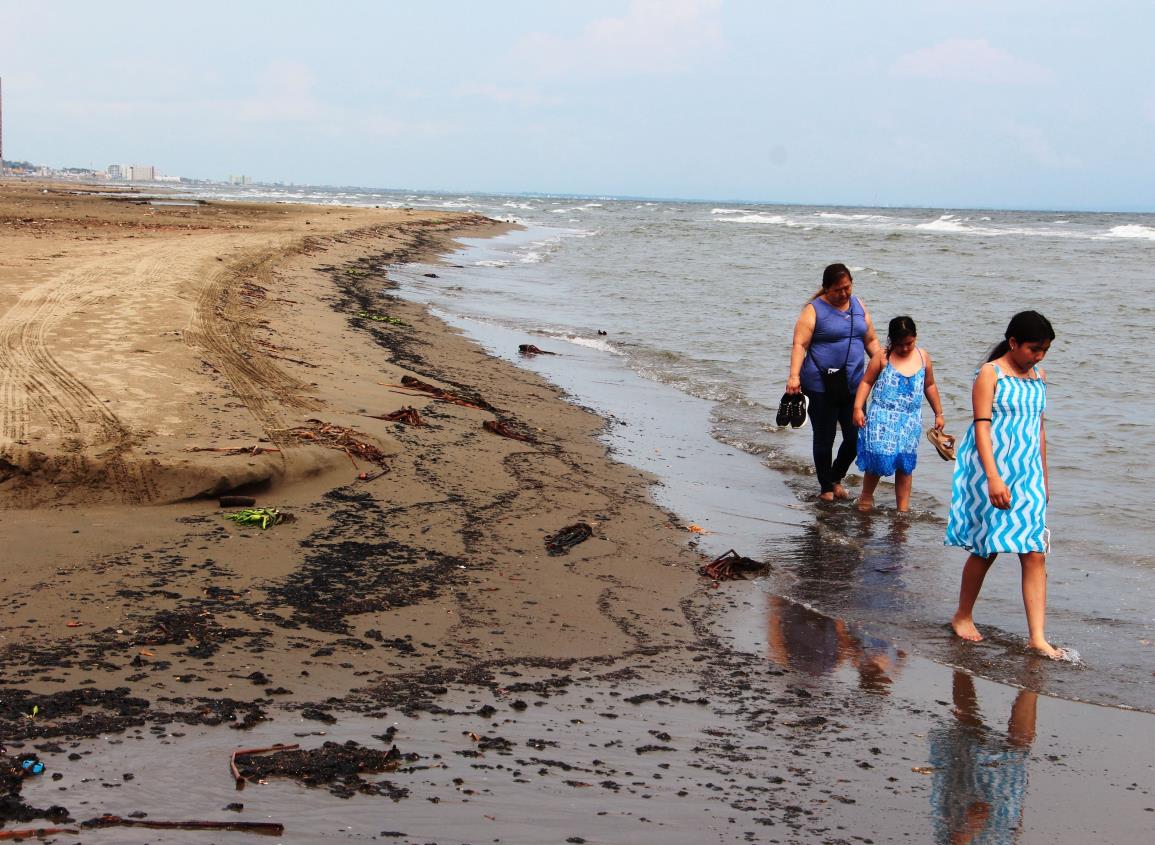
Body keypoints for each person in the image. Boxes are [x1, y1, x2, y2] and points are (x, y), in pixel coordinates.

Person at [945, 311, 1061, 658]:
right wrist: (994, 477)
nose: (1039, 356)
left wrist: (1044, 477)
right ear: (1013, 343)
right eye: (1034, 349)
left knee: (1034, 552)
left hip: (1029, 475)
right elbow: (982, 428)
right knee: (987, 547)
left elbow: (1038, 430)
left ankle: (1037, 637)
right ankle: (962, 616)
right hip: (994, 471)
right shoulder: (989, 374)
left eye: (1044, 350)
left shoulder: (1039, 376)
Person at [786, 263, 882, 501]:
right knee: (824, 437)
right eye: (838, 289)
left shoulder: (859, 306)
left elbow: (871, 341)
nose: (844, 293)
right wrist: (794, 376)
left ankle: (836, 476)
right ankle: (826, 488)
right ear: (826, 288)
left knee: (855, 438)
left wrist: (885, 368)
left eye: (847, 287)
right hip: (820, 385)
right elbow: (800, 344)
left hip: (854, 385)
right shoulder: (813, 310)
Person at [852, 316, 946, 512]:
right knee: (877, 460)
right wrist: (858, 408)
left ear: (916, 338)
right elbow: (866, 382)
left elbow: (929, 385)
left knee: (905, 465)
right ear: (891, 340)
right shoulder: (882, 357)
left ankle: (902, 508)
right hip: (882, 418)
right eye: (899, 344)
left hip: (909, 420)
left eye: (909, 343)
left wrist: (938, 413)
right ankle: (866, 497)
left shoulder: (923, 357)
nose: (904, 348)